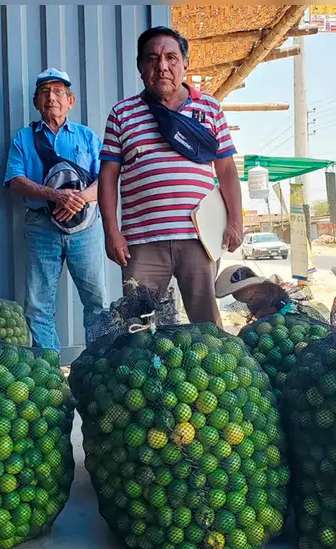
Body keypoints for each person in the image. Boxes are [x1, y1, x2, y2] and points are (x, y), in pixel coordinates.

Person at [97, 26, 244, 326]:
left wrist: (236, 220)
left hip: (200, 238)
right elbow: (108, 176)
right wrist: (111, 232)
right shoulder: (122, 114)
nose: (162, 66)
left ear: (185, 64)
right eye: (152, 59)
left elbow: (226, 168)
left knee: (207, 327)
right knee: (137, 327)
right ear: (140, 67)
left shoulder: (210, 107)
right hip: (142, 242)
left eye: (171, 58)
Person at [4, 67, 106, 351]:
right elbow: (15, 180)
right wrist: (54, 195)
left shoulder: (87, 137)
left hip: (86, 231)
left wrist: (79, 198)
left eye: (59, 92)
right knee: (38, 306)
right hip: (41, 227)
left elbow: (107, 179)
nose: (52, 98)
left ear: (70, 101)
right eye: (45, 93)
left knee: (96, 301)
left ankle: (96, 366)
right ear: (36, 102)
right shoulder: (23, 139)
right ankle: (51, 375)